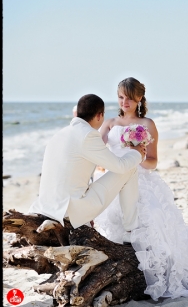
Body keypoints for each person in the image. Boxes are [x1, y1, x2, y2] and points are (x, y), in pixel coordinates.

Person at [93, 77, 188, 301]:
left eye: (129, 97)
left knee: (150, 219)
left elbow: (153, 162)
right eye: (120, 97)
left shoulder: (147, 125)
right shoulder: (110, 124)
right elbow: (98, 152)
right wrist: (100, 163)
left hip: (138, 178)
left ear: (138, 98)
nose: (124, 101)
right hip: (113, 178)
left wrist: (137, 155)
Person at [28, 94, 147, 232]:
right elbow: (120, 166)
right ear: (99, 116)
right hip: (69, 211)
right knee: (129, 168)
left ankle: (128, 229)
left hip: (46, 206)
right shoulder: (88, 134)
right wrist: (137, 153)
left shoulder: (59, 134)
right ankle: (131, 231)